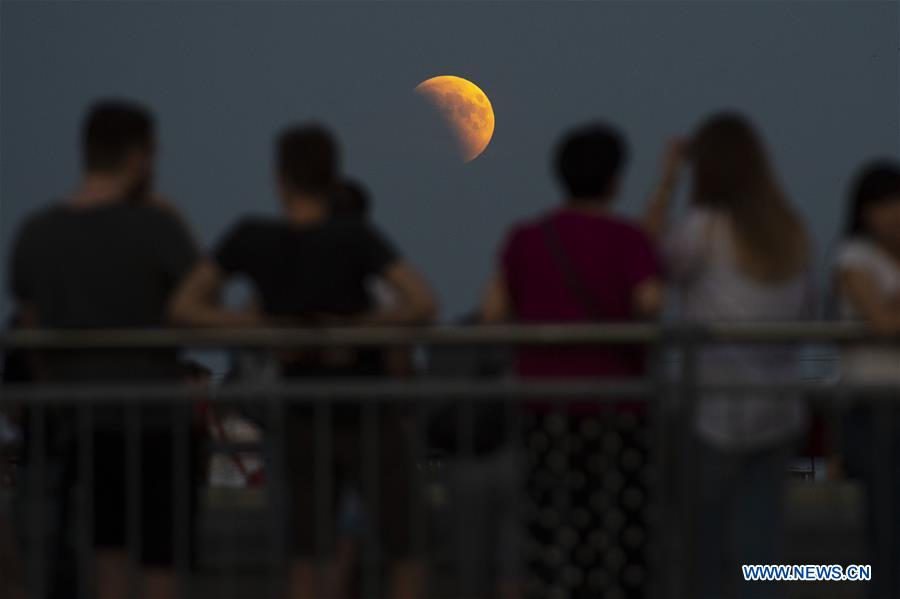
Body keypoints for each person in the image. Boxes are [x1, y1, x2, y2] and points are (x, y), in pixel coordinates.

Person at [170, 123, 436, 599]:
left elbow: (185, 307)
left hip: (300, 413)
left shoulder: (253, 238)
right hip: (367, 411)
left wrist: (265, 330)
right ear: (333, 174)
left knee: (306, 552)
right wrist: (353, 330)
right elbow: (420, 302)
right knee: (406, 547)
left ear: (280, 177)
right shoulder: (355, 238)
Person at [7, 99, 203, 599]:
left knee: (105, 560)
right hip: (157, 421)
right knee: (161, 562)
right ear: (139, 155)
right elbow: (201, 302)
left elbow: (31, 332)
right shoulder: (157, 227)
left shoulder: (37, 233)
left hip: (82, 423)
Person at [481, 123, 664, 599]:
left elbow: (492, 312)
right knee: (620, 542)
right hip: (619, 412)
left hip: (544, 411)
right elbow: (650, 305)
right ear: (615, 179)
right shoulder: (628, 239)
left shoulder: (526, 238)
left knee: (550, 535)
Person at [644, 113, 813, 599]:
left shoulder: (704, 229)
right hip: (779, 411)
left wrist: (668, 179)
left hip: (710, 414)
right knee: (761, 558)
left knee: (703, 558)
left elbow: (645, 256)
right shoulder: (792, 232)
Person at [832, 161, 900, 599]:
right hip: (877, 405)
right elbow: (882, 322)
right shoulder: (852, 257)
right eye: (884, 204)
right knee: (887, 525)